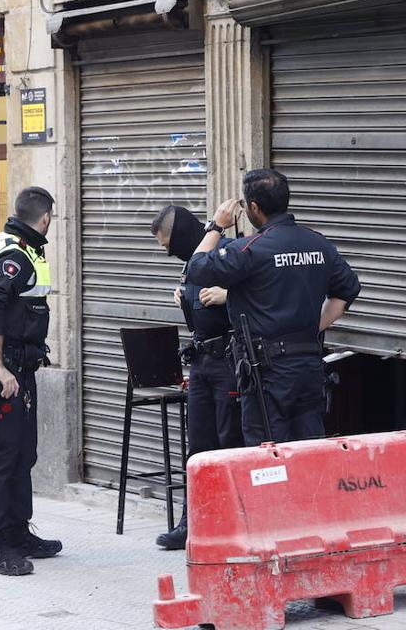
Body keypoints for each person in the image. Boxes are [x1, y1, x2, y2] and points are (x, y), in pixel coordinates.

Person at [186, 169, 361, 446]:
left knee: (268, 457)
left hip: (266, 373)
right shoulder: (318, 243)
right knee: (309, 450)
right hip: (308, 367)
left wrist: (217, 226)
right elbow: (348, 290)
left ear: (254, 208)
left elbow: (196, 268)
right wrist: (312, 327)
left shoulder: (251, 249)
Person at [0, 186, 63, 576]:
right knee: (1, 458)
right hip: (5, 373)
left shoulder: (23, 248)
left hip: (19, 369)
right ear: (44, 219)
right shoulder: (14, 255)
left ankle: (17, 532)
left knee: (23, 454)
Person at [150, 205, 243, 551]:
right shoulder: (191, 266)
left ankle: (232, 524)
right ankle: (193, 522)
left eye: (167, 244)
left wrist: (229, 295)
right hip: (202, 364)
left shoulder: (230, 252)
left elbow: (265, 293)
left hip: (229, 363)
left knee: (230, 442)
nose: (167, 252)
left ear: (182, 236)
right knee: (199, 448)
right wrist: (185, 300)